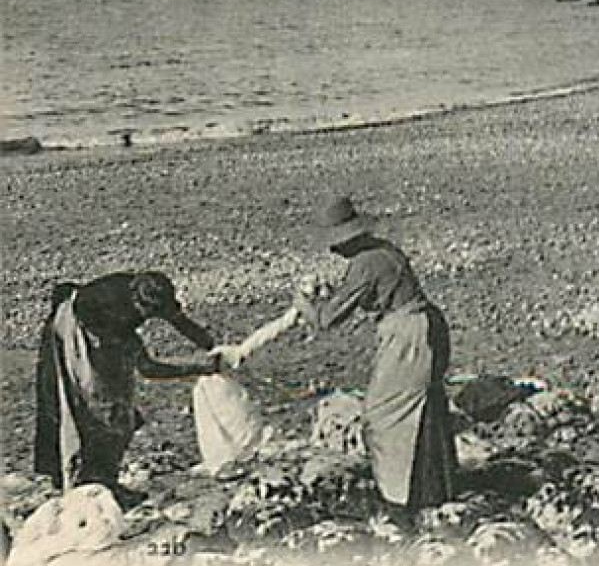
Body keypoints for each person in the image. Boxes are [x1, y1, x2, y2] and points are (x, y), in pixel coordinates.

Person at [215, 197, 456, 511]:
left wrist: (303, 302)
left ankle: (405, 495)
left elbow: (326, 321)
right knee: (424, 407)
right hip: (423, 327)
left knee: (385, 415)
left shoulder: (365, 263)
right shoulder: (381, 251)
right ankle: (436, 486)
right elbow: (360, 294)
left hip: (410, 336)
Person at [33, 273, 217, 505]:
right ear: (135, 300)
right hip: (79, 329)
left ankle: (105, 481)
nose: (145, 317)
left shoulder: (157, 296)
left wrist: (213, 346)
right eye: (143, 311)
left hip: (100, 327)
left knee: (119, 415)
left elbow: (181, 322)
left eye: (151, 314)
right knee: (98, 410)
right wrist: (198, 368)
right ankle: (89, 484)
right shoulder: (109, 320)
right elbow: (148, 369)